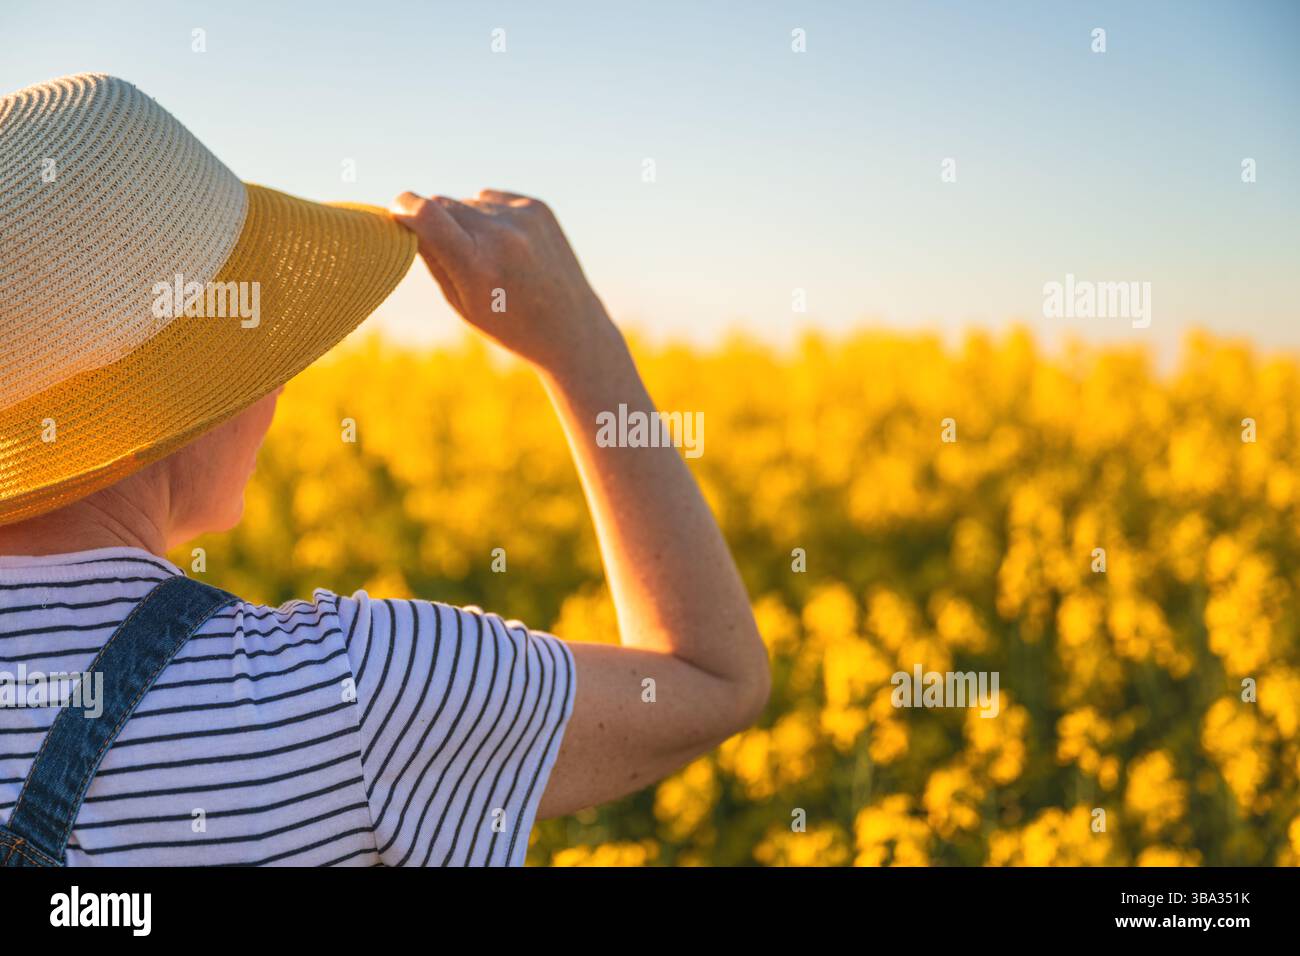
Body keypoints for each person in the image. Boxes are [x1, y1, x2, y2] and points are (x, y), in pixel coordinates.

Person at [0, 73, 768, 866]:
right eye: (259, 352)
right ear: (193, 398)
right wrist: (582, 350)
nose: (282, 380)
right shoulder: (347, 691)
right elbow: (712, 681)